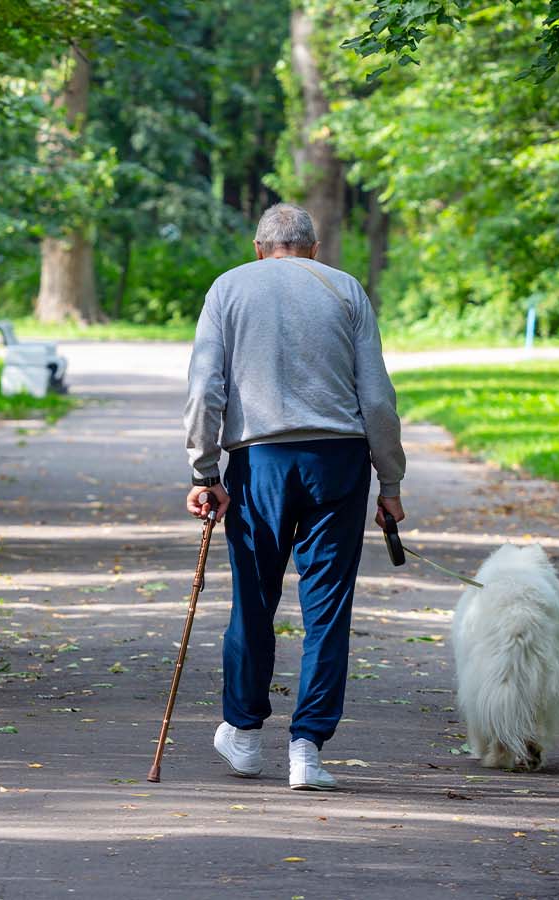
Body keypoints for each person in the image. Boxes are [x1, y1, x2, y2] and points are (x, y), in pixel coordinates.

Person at [183, 203, 406, 791]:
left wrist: (205, 472)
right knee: (327, 609)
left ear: (259, 247)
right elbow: (377, 397)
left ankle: (245, 734)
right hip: (339, 462)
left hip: (261, 463)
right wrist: (391, 482)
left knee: (254, 601)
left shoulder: (228, 289)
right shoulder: (346, 290)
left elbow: (206, 387)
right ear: (314, 246)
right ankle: (307, 749)